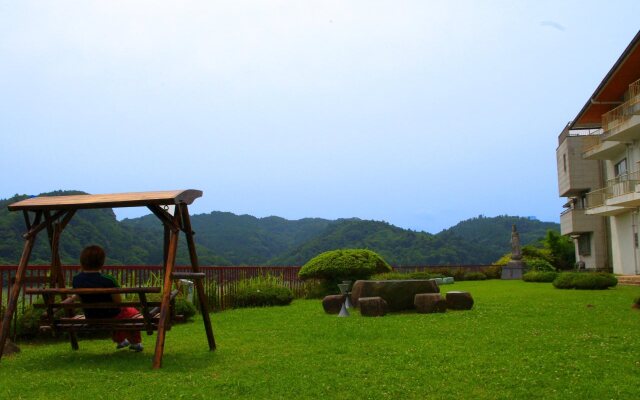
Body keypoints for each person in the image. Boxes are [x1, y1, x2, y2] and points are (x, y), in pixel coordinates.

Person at [72, 245, 143, 352]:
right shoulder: (108, 280)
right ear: (102, 262)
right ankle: (135, 343)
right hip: (111, 315)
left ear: (82, 261)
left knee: (121, 314)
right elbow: (118, 302)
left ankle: (121, 341)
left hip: (91, 316)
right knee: (131, 312)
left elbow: (79, 297)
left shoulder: (76, 280)